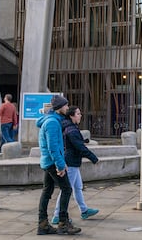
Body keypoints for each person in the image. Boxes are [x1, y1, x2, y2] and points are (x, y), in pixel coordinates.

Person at [36, 95, 81, 235]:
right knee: (67, 189)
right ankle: (63, 223)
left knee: (47, 191)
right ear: (60, 107)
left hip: (49, 162)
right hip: (52, 162)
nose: (68, 108)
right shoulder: (52, 123)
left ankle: (43, 225)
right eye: (66, 105)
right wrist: (60, 165)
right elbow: (53, 147)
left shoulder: (54, 120)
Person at [52, 106, 99, 225]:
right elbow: (79, 146)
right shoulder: (71, 129)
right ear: (72, 116)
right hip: (71, 162)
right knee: (66, 189)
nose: (80, 115)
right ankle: (57, 215)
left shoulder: (70, 127)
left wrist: (84, 141)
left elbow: (76, 143)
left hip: (73, 162)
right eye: (78, 113)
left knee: (78, 187)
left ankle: (84, 210)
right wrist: (93, 158)